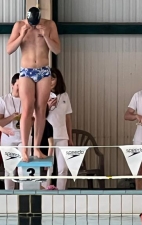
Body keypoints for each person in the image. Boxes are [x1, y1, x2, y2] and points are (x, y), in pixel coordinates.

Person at [6, 7, 60, 162]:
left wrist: (46, 36)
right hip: (26, 71)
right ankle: (25, 148)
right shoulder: (19, 25)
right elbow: (9, 49)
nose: (34, 25)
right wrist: (22, 34)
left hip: (44, 70)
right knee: (27, 108)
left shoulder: (50, 25)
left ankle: (36, 148)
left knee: (41, 109)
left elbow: (57, 50)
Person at [0, 73, 31, 189]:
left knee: (24, 167)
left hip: (24, 137)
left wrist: (25, 118)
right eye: (18, 85)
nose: (21, 88)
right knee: (9, 168)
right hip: (8, 138)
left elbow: (33, 120)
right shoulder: (3, 100)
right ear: (12, 85)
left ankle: (24, 194)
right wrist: (12, 117)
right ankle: (9, 195)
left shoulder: (28, 99)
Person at [46, 68, 73, 190]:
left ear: (58, 79)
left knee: (63, 168)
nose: (50, 81)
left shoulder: (64, 96)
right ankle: (45, 192)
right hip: (47, 137)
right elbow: (36, 117)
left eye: (53, 78)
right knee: (48, 167)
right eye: (48, 78)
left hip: (62, 135)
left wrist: (70, 138)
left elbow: (68, 118)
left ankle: (61, 192)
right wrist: (47, 107)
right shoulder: (42, 94)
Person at [31, 106, 54, 189]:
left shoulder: (48, 126)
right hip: (34, 157)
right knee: (35, 181)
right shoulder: (33, 125)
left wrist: (48, 160)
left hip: (43, 157)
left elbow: (51, 144)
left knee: (44, 181)